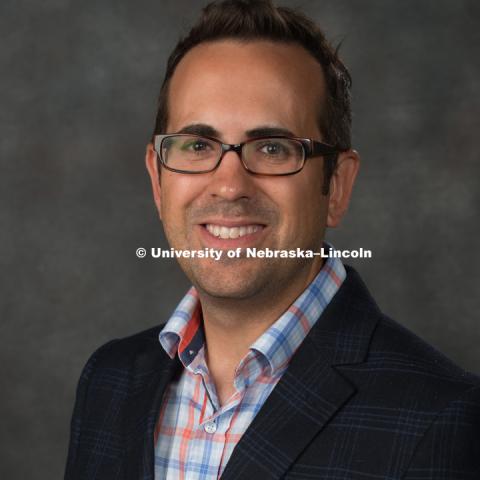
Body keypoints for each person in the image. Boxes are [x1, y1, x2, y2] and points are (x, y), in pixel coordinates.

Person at [64, 1, 480, 479]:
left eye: (273, 148)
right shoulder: (110, 381)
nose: (229, 185)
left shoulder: (444, 418)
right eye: (198, 146)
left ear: (337, 187)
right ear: (158, 183)